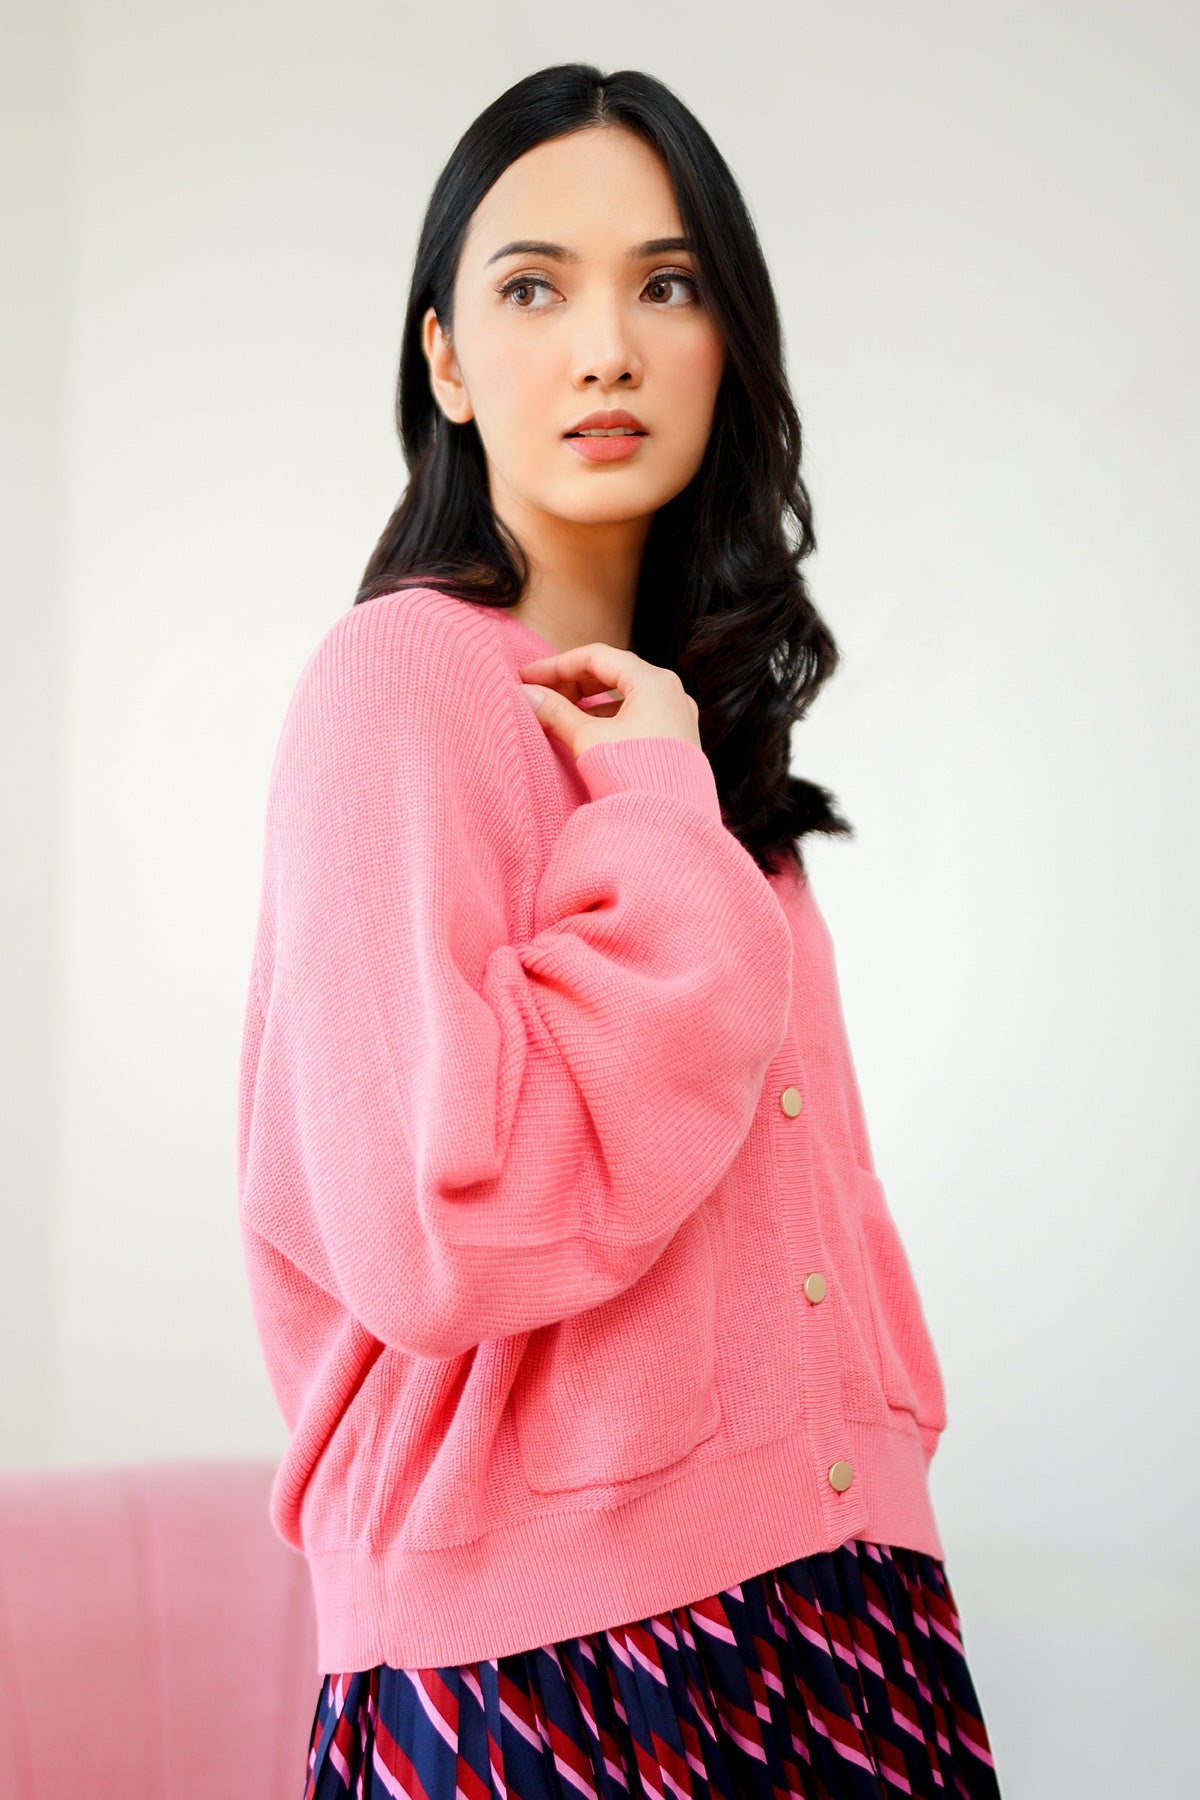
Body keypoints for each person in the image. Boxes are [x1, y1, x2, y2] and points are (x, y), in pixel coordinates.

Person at [236, 61, 1004, 1799]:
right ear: (445, 362)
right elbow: (443, 1231)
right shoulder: (403, 684)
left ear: (730, 341)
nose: (607, 348)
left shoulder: (698, 752)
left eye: (667, 285)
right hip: (554, 1663)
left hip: (845, 1604)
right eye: (534, 289)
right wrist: (656, 809)